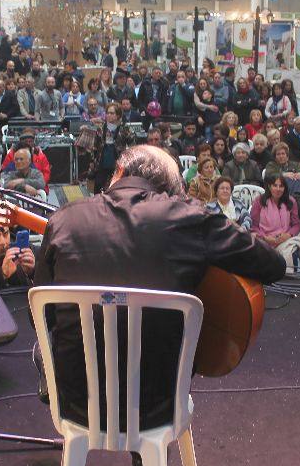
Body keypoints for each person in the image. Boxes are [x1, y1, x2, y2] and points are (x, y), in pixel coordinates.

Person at [33, 145, 284, 430]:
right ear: (170, 191)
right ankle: (146, 462)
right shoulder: (190, 218)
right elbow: (273, 265)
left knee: (42, 344)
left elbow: (40, 318)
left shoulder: (64, 218)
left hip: (76, 405)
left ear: (119, 173)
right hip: (158, 407)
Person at [248, 173, 300, 273]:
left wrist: (288, 235)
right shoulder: (259, 201)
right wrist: (265, 237)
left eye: (281, 186)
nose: (278, 189)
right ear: (269, 186)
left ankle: (287, 281)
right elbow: (253, 225)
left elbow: (296, 225)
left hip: (284, 240)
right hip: (264, 239)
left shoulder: (291, 201)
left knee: (289, 251)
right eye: (275, 185)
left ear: (285, 188)